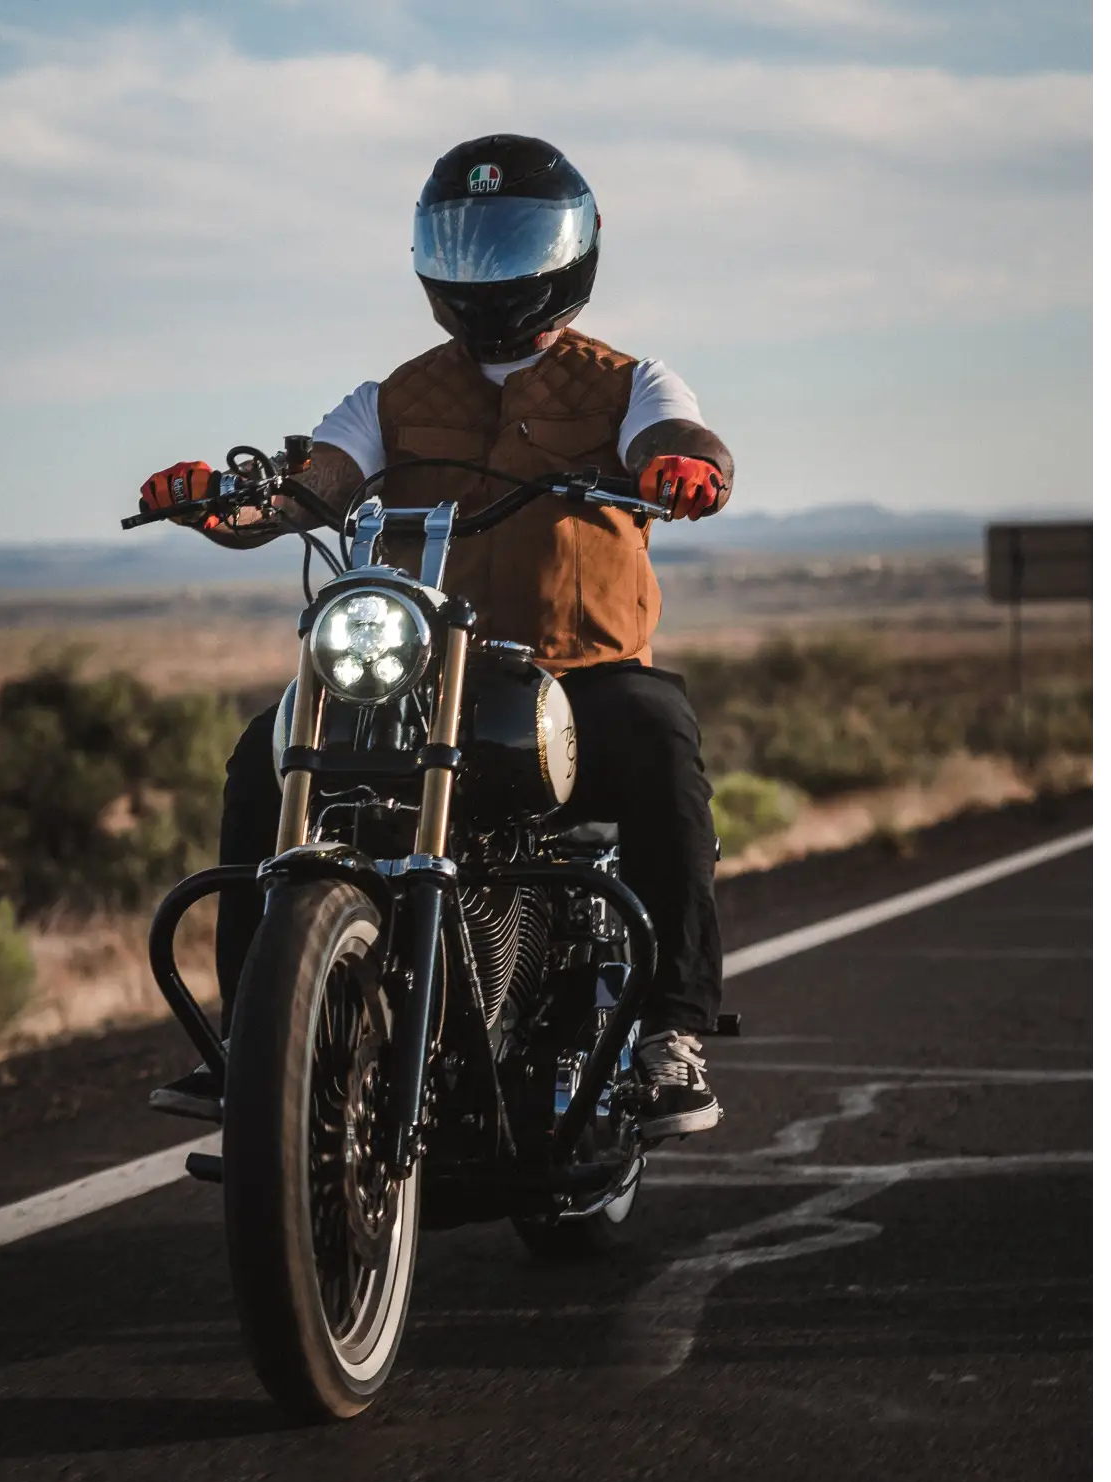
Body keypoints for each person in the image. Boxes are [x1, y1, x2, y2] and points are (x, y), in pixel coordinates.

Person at [136, 135, 734, 1142]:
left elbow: (681, 441)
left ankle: (671, 1035)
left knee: (662, 736)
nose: (488, 267)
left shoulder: (630, 383)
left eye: (514, 242)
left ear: (570, 249)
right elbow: (310, 489)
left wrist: (688, 470)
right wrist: (221, 504)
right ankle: (256, 1043)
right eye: (469, 241)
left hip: (576, 681)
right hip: (422, 684)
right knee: (266, 752)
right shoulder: (393, 398)